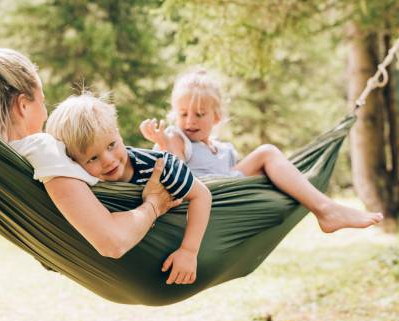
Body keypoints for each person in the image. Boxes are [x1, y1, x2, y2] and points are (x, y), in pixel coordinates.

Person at [0, 36, 182, 266]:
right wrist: (154, 205)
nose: (46, 114)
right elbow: (112, 242)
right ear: (23, 105)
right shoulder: (42, 150)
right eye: (42, 100)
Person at [140, 68, 384, 233]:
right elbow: (175, 170)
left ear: (216, 117)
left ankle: (322, 207)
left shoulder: (225, 150)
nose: (190, 120)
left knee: (268, 153)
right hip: (208, 198)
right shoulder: (177, 138)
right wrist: (162, 145)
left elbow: (242, 176)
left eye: (199, 114)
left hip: (233, 194)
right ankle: (327, 210)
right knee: (266, 152)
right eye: (183, 114)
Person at [46, 94, 212, 285]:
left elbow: (202, 195)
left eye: (111, 145)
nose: (108, 160)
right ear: (74, 162)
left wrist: (189, 251)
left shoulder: (161, 166)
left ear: (118, 133)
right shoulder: (79, 184)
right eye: (92, 158)